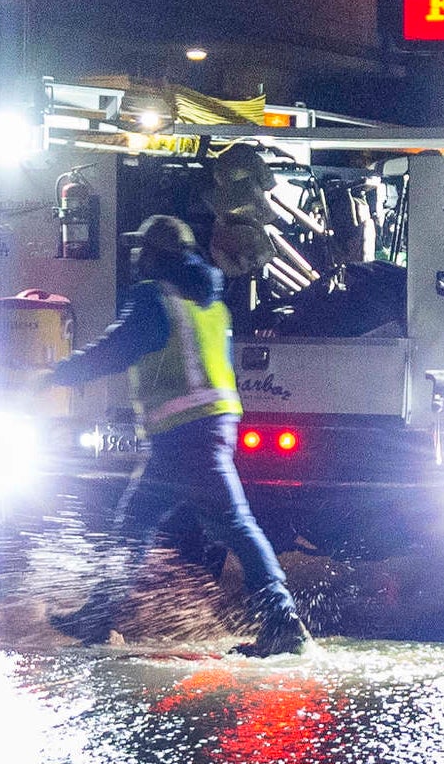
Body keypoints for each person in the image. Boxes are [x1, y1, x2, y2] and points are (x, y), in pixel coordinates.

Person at [37, 212, 311, 658]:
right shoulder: (211, 301)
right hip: (204, 429)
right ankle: (98, 617)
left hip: (187, 435)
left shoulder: (154, 299)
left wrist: (59, 374)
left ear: (155, 257)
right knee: (139, 523)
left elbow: (117, 348)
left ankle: (282, 621)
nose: (138, 259)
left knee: (231, 525)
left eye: (143, 250)